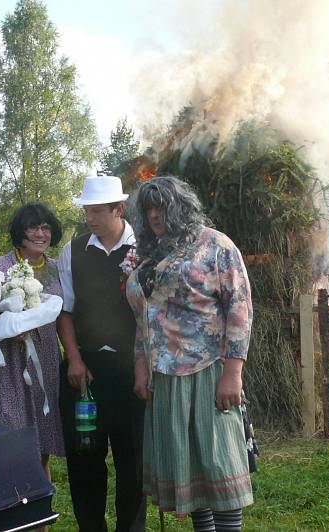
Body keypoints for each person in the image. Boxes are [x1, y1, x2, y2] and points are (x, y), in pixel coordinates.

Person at [125, 176, 254, 532]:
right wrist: (140, 367)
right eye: (147, 208)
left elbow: (240, 310)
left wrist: (233, 372)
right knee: (191, 471)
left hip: (209, 371)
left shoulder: (215, 245)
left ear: (181, 205)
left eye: (161, 205)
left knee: (219, 465)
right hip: (164, 376)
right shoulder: (149, 254)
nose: (154, 215)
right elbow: (143, 318)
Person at [56, 175, 146, 532]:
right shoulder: (73, 250)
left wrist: (144, 365)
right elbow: (64, 309)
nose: (89, 218)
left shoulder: (144, 249)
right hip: (86, 371)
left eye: (96, 211)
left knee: (133, 462)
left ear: (118, 209)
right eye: (86, 211)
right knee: (84, 458)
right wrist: (74, 359)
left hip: (131, 369)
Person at [0, 203, 65, 482]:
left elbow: (65, 315)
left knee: (41, 445)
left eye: (46, 227)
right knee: (10, 439)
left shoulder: (57, 269)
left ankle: (40, 520)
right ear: (20, 231)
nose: (41, 233)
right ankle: (10, 510)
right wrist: (7, 328)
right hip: (11, 362)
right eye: (33, 227)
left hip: (48, 360)